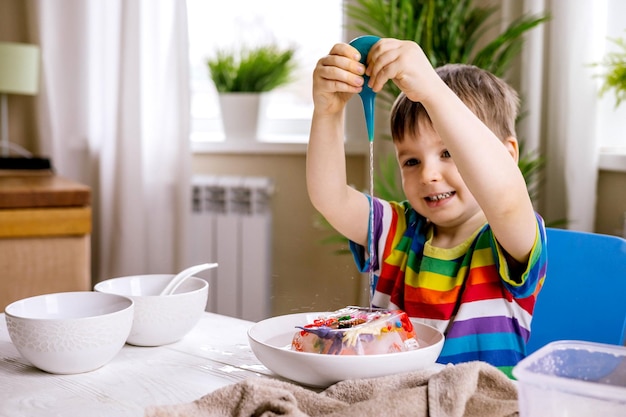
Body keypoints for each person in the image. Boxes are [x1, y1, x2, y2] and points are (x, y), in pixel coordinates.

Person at [306, 38, 547, 377]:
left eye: (450, 153)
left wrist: (432, 90)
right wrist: (328, 113)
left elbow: (505, 198)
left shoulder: (509, 237)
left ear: (506, 155)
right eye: (412, 161)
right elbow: (329, 197)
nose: (429, 175)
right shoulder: (396, 230)